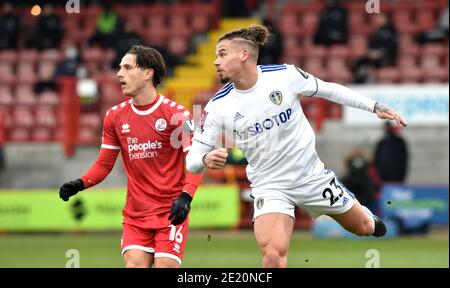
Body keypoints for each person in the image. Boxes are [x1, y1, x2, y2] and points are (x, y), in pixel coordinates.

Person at [186, 25, 408, 268]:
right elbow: (192, 158)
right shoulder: (217, 107)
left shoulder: (284, 76)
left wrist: (374, 106)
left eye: (222, 53)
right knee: (273, 255)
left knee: (365, 228)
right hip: (270, 185)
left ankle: (369, 218)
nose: (216, 61)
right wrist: (205, 160)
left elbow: (329, 90)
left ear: (244, 55)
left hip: (312, 177)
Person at [58, 45, 202, 268]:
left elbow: (194, 163)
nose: (119, 74)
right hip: (136, 215)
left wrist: (186, 197)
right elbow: (104, 164)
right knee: (135, 265)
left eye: (127, 67)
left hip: (170, 212)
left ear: (148, 73)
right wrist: (80, 183)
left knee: (165, 265)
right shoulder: (115, 117)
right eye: (119, 68)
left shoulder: (177, 116)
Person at [352, 12, 398, 83]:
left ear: (385, 19)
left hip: (387, 58)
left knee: (373, 63)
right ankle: (359, 80)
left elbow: (392, 48)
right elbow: (371, 46)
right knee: (358, 62)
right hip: (373, 56)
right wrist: (370, 53)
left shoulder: (391, 31)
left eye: (380, 17)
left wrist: (380, 53)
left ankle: (368, 79)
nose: (377, 19)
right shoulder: (375, 33)